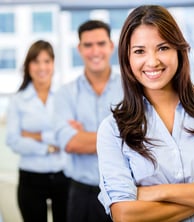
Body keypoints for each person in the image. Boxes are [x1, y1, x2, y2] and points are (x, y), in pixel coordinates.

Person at [96, 5, 194, 222]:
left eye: (163, 48)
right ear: (127, 59)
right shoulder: (113, 129)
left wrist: (158, 192)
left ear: (179, 51)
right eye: (139, 51)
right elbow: (125, 215)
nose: (152, 61)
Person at [53, 20, 122, 222]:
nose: (95, 51)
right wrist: (118, 138)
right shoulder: (65, 94)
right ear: (79, 49)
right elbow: (69, 142)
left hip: (124, 192)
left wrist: (85, 136)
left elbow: (138, 139)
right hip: (81, 194)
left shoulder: (131, 90)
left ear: (111, 46)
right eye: (88, 45)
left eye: (101, 44)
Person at [5, 40, 69, 222]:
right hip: (31, 178)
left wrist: (36, 135)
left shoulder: (65, 96)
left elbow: (68, 135)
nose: (42, 67)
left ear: (53, 64)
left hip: (63, 175)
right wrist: (49, 146)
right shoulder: (18, 100)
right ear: (28, 66)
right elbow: (13, 140)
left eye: (47, 61)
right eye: (36, 61)